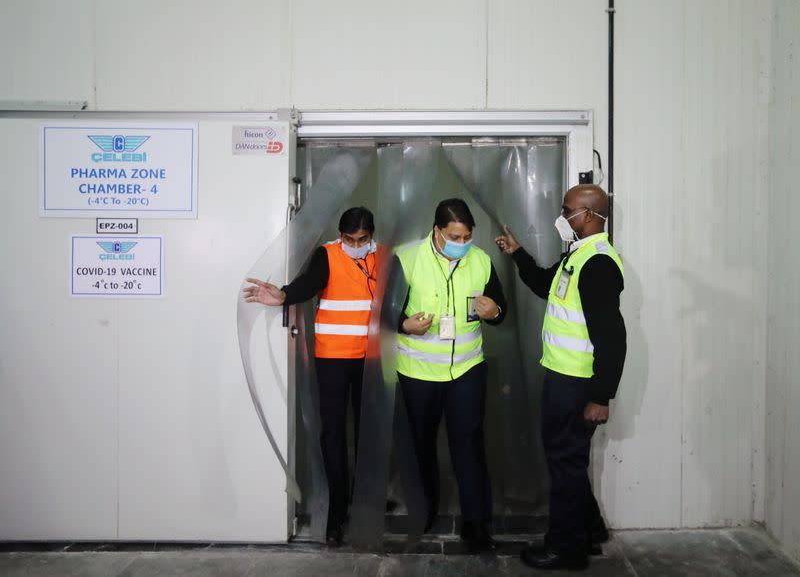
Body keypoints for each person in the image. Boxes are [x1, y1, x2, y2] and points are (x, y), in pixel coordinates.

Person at [495, 185, 626, 571]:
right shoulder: (578, 256)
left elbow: (612, 337)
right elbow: (542, 284)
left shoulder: (599, 264)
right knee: (567, 460)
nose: (561, 215)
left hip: (576, 384)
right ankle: (589, 530)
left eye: (566, 209)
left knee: (564, 463)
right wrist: (517, 253)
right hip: (562, 378)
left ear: (587, 216)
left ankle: (566, 549)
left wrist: (601, 396)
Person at [243, 206, 378, 547]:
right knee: (332, 435)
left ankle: (365, 502)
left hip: (372, 361)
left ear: (371, 236)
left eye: (363, 239)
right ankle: (336, 512)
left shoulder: (383, 259)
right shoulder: (328, 255)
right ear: (340, 234)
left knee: (369, 433)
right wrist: (284, 295)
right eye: (350, 238)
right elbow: (309, 284)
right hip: (333, 359)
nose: (356, 244)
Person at [395, 198, 507, 553]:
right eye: (455, 235)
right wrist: (404, 324)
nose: (462, 242)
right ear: (437, 231)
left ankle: (477, 525)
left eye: (467, 235)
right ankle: (424, 511)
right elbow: (383, 313)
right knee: (421, 445)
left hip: (467, 371)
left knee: (469, 447)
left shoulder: (482, 261)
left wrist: (495, 311)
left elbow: (499, 309)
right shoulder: (406, 258)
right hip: (418, 373)